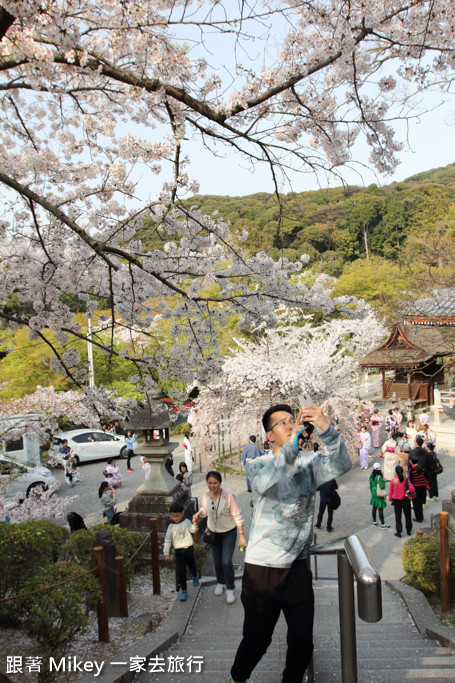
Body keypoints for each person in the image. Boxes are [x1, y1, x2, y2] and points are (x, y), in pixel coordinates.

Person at [230, 402, 351, 683]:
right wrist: (291, 449)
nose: (290, 424)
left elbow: (343, 463)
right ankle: (238, 677)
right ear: (270, 436)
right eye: (282, 422)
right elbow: (261, 484)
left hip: (297, 567)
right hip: (262, 569)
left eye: (291, 420)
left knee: (302, 642)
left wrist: (326, 428)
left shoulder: (312, 464)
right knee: (257, 641)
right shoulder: (258, 464)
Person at [192, 470, 245, 606]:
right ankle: (220, 582)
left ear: (220, 483)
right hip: (213, 532)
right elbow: (206, 510)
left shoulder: (228, 496)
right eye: (210, 483)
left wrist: (242, 536)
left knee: (226, 560)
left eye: (215, 483)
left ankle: (230, 588)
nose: (212, 486)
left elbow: (237, 516)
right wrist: (199, 513)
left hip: (228, 532)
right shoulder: (205, 495)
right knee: (216, 560)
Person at [163, 502, 199, 601]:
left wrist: (195, 523)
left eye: (177, 516)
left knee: (191, 564)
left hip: (188, 547)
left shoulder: (186, 522)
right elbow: (167, 540)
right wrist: (166, 553)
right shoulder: (171, 526)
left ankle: (195, 574)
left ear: (182, 514)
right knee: (181, 570)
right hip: (178, 550)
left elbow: (193, 530)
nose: (175, 518)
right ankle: (184, 589)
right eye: (173, 516)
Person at [389, 465, 415, 538]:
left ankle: (399, 531)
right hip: (405, 500)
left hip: (397, 500)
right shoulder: (406, 480)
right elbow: (412, 489)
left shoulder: (394, 480)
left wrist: (391, 499)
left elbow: (391, 491)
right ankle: (409, 530)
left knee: (398, 516)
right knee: (408, 515)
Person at [408, 457, 429, 523]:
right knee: (420, 502)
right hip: (422, 487)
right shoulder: (422, 469)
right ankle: (421, 516)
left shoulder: (412, 470)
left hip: (415, 488)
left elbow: (411, 480)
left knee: (416, 504)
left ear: (411, 462)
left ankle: (418, 517)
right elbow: (426, 477)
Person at [369, 463, 389, 528]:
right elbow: (382, 486)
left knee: (374, 508)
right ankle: (383, 524)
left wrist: (372, 493)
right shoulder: (379, 477)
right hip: (379, 493)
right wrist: (384, 481)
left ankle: (374, 521)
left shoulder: (371, 476)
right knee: (380, 509)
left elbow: (370, 486)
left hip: (374, 493)